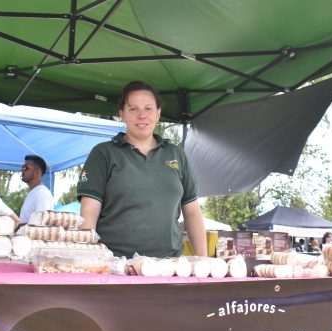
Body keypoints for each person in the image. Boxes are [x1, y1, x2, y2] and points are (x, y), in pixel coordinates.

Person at [77, 81, 207, 258]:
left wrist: (204, 261)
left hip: (169, 267)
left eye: (148, 108)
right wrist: (86, 260)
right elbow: (89, 213)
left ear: (158, 113)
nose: (142, 115)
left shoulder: (176, 154)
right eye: (133, 109)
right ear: (121, 114)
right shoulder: (103, 153)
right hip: (115, 266)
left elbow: (192, 212)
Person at [19, 155, 54, 224]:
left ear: (37, 172)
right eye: (22, 167)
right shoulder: (34, 192)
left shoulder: (41, 193)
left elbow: (41, 226)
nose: (22, 170)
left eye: (26, 168)